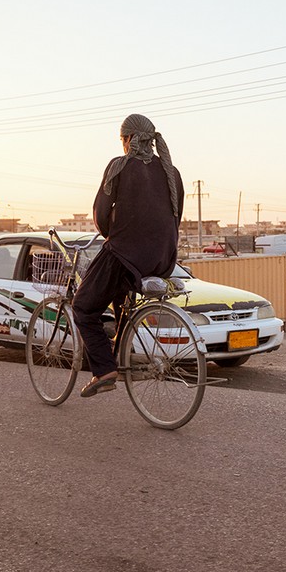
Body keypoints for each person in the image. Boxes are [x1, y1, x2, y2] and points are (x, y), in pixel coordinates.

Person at [73, 114, 185, 397]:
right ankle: (120, 356)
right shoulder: (172, 172)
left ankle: (104, 370)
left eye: (121, 139)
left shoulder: (118, 166)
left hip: (125, 254)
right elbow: (175, 215)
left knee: (84, 307)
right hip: (162, 258)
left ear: (128, 139)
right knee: (120, 301)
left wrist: (114, 231)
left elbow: (100, 215)